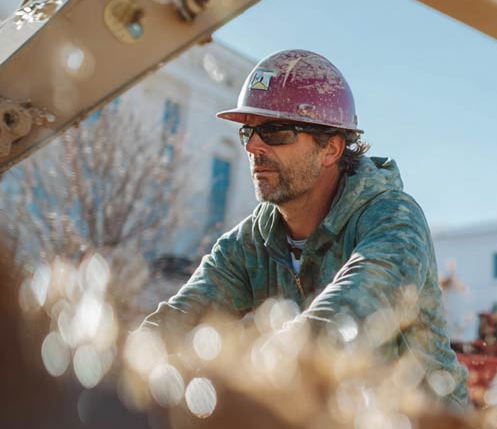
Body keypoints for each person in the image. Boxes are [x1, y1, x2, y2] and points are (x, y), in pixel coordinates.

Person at [141, 49, 468, 406]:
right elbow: (177, 319)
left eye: (275, 131)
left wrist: (245, 368)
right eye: (249, 131)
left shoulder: (392, 218)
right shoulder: (251, 243)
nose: (253, 145)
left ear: (330, 149)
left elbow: (348, 314)